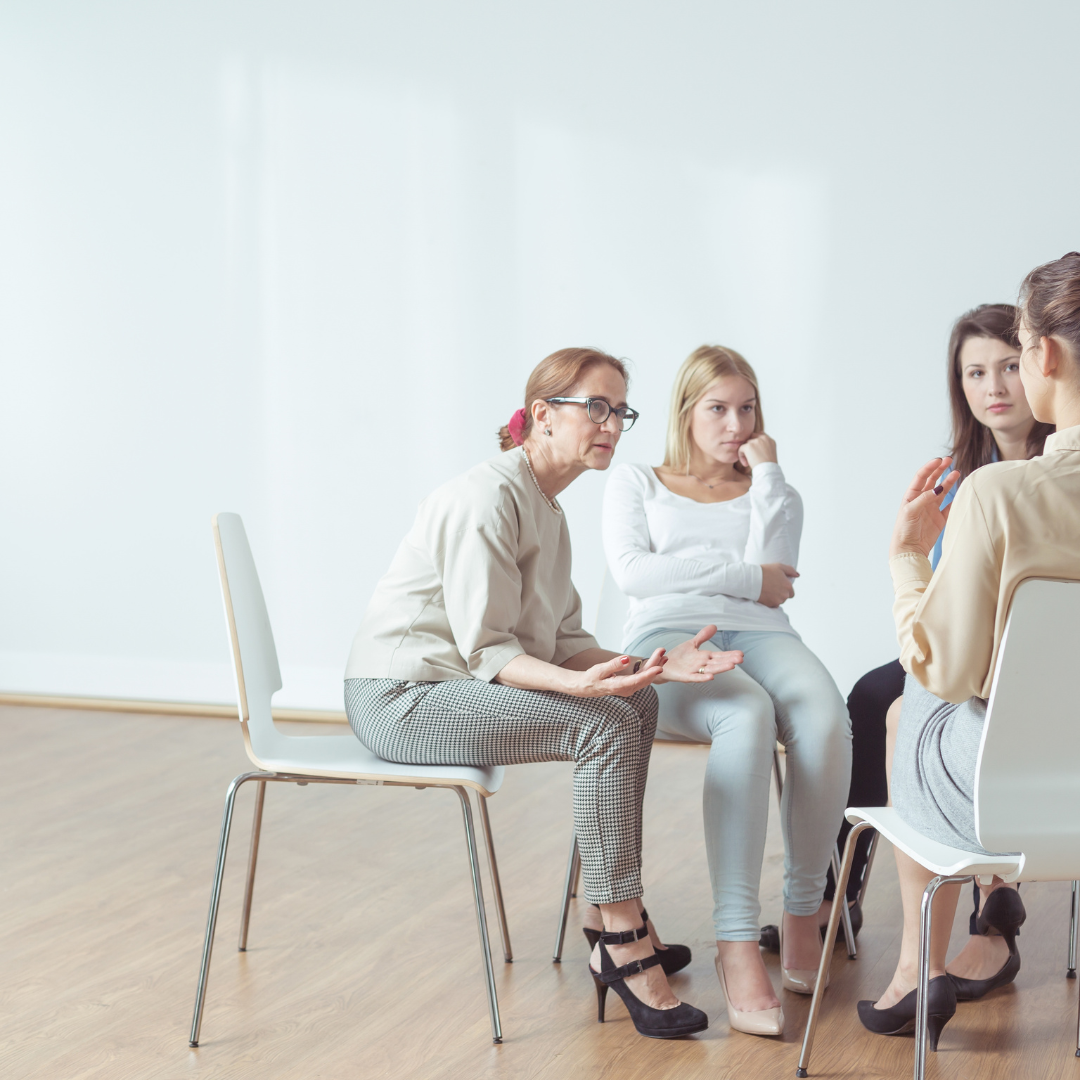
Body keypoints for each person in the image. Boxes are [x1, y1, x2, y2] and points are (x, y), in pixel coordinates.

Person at [344, 346, 745, 1041]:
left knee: (635, 703)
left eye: (621, 411)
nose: (612, 425)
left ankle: (600, 915)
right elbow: (489, 651)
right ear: (541, 415)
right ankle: (622, 936)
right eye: (596, 407)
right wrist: (584, 686)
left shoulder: (548, 508)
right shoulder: (489, 497)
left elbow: (563, 642)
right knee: (605, 723)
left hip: (452, 688)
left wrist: (649, 664)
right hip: (401, 698)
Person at [859, 252, 1080, 1045]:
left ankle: (919, 968)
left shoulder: (994, 494)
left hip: (1008, 795)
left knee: (911, 697)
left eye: (1016, 353)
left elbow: (944, 668)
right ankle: (976, 930)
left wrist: (908, 561)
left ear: (1044, 358)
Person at [601, 345, 851, 1037]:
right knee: (746, 711)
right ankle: (736, 944)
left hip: (767, 634)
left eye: (747, 408)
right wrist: (738, 576)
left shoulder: (774, 488)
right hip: (667, 641)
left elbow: (780, 567)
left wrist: (767, 473)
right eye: (717, 407)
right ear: (686, 412)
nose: (734, 422)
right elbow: (634, 574)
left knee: (825, 717)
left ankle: (803, 910)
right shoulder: (637, 481)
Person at [816, 304, 1053, 1000]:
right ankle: (845, 885)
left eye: (1008, 365)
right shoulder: (954, 475)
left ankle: (988, 897)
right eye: (974, 372)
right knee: (868, 694)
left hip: (1024, 659)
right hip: (964, 645)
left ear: (1041, 366)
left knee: (925, 710)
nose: (994, 386)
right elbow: (942, 603)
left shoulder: (1052, 472)